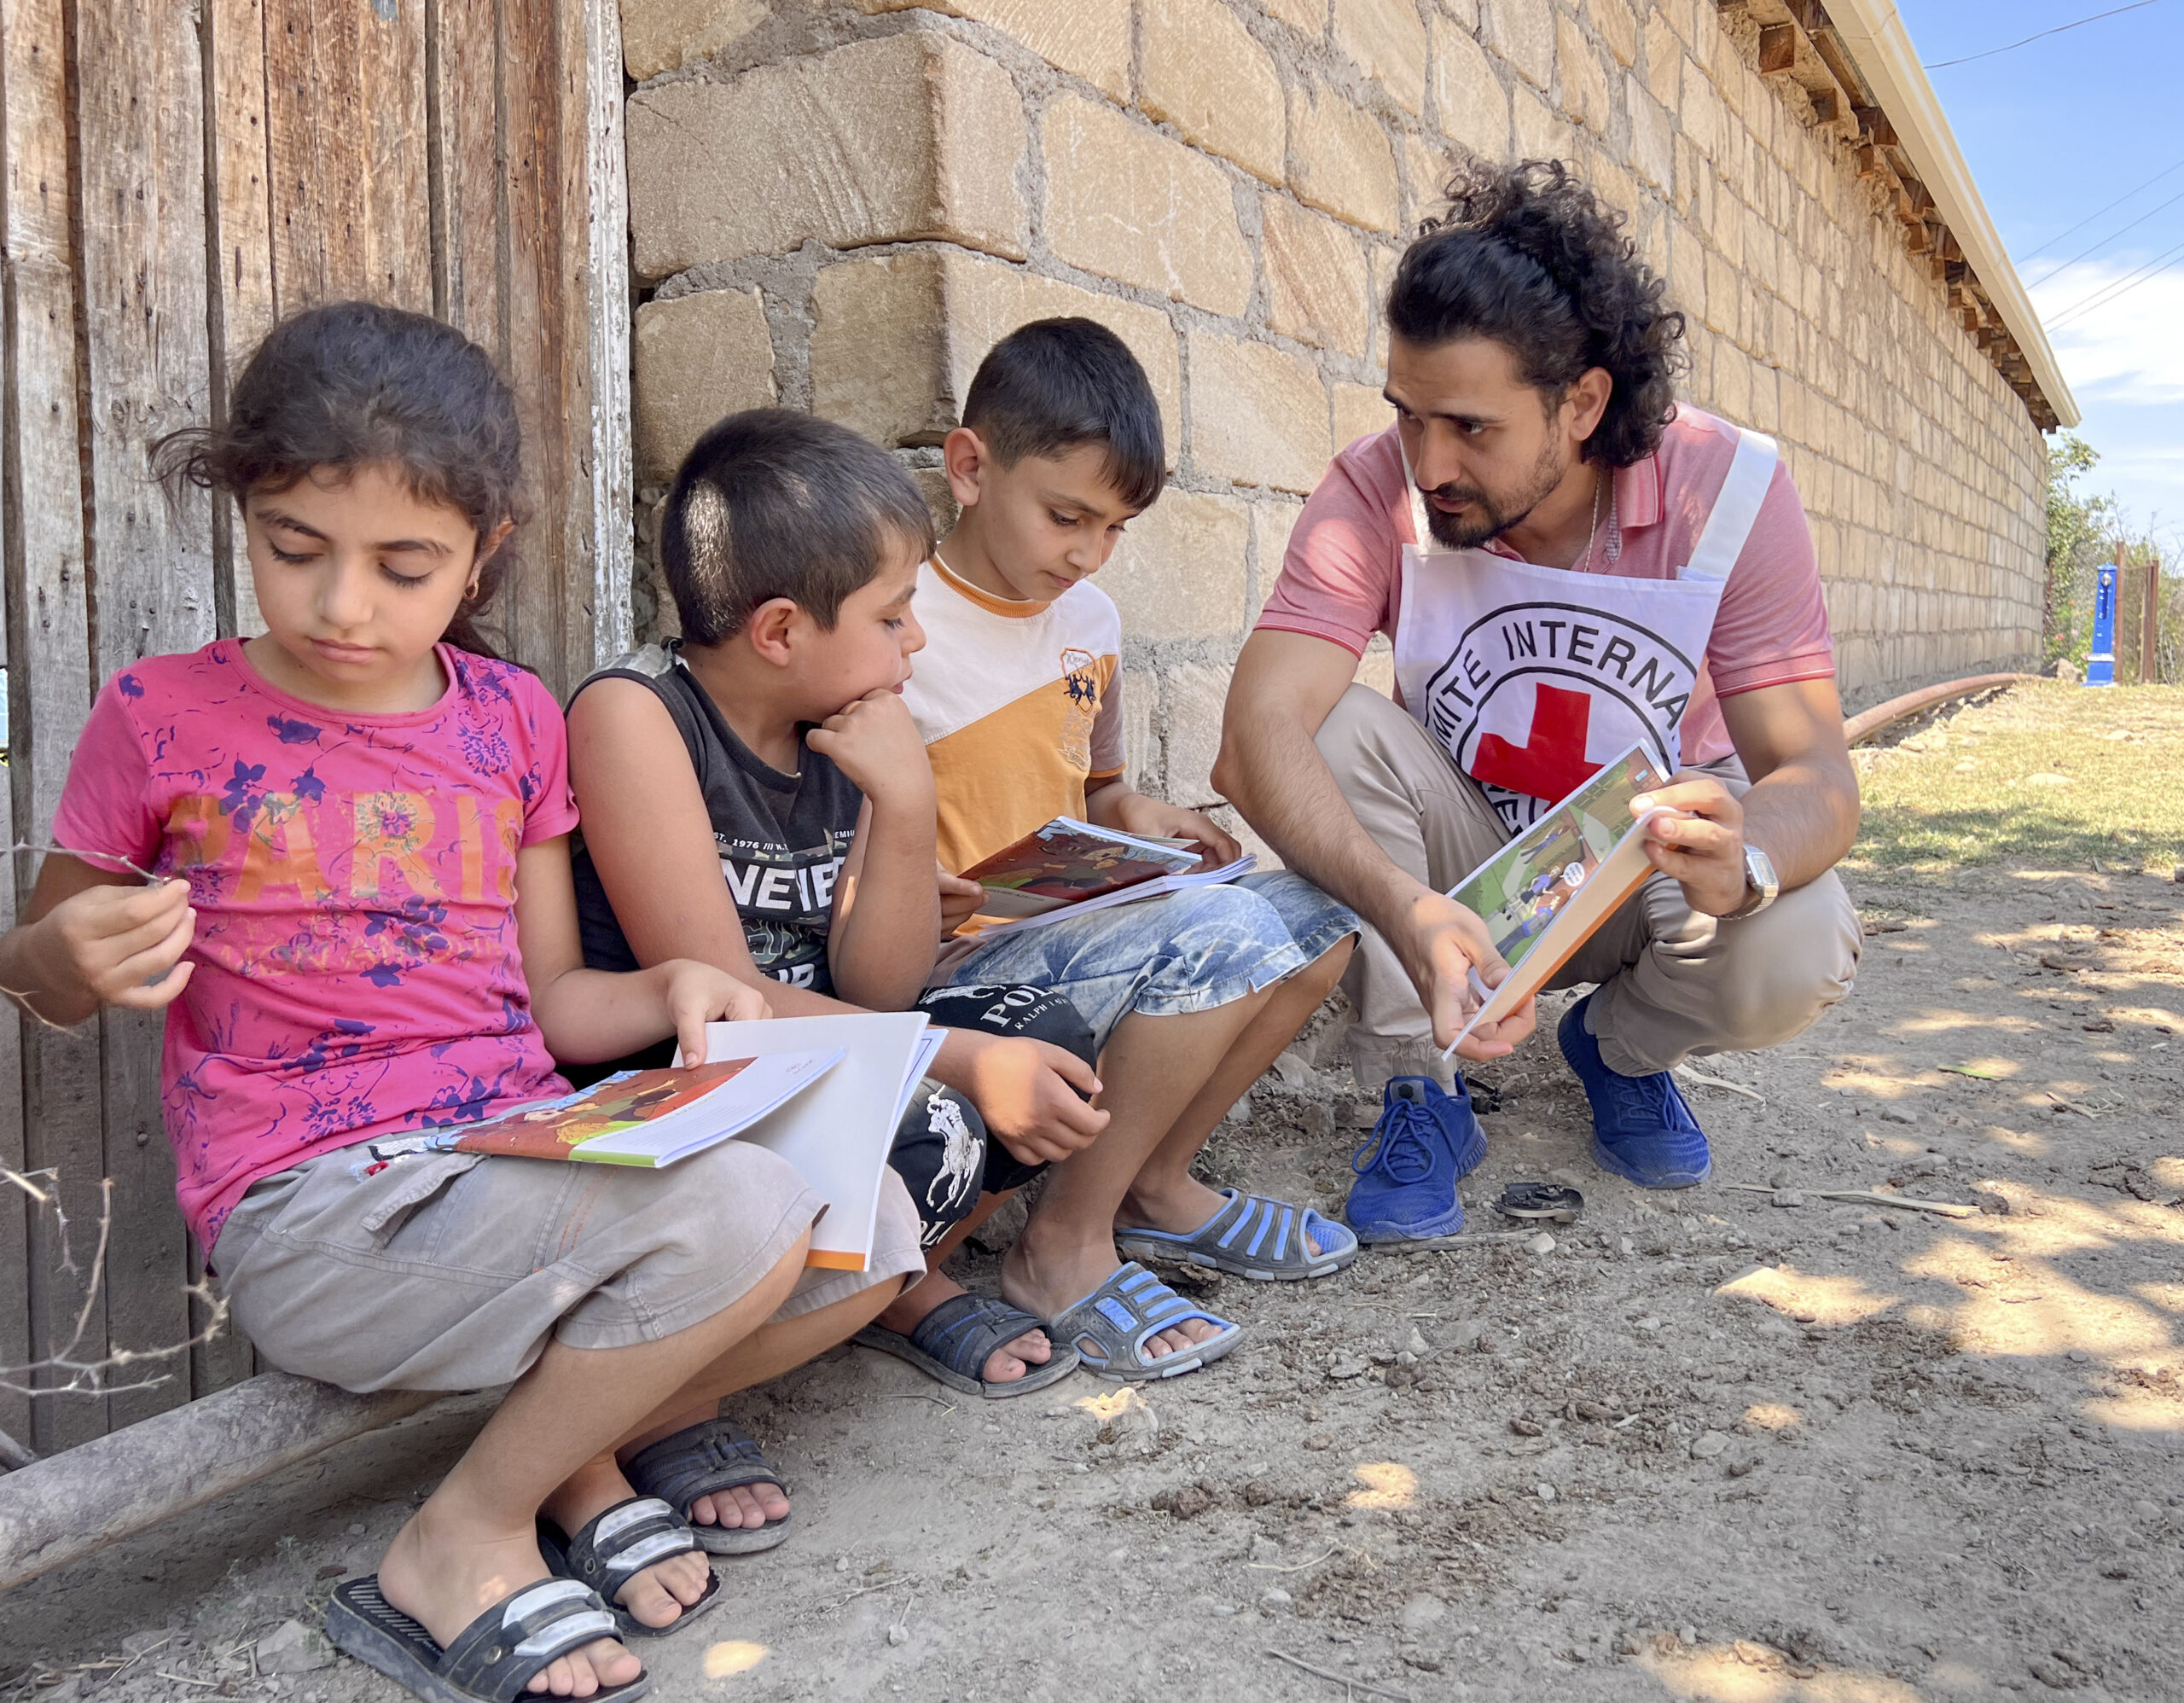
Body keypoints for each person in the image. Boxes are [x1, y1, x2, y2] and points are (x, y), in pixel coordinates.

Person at [0, 303, 928, 1703]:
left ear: (483, 551)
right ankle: (465, 1535)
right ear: (246, 513)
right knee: (740, 1213)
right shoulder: (161, 716)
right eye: (294, 547)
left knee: (876, 1223)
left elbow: (554, 1005)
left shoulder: (509, 719)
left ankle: (568, 1454)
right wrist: (65, 960)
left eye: (404, 565)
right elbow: (35, 971)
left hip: (519, 1154)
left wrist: (674, 986)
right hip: (315, 1205)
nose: (342, 604)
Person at [1217, 160, 1862, 1235]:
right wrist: (1402, 908)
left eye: (1471, 426)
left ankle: (1618, 1048)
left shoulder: (1728, 492)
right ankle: (1422, 1081)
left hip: (1641, 867)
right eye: (1407, 415)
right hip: (1462, 867)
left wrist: (1743, 856)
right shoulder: (1375, 485)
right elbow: (1253, 736)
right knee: (1325, 725)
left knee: (1796, 931)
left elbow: (1819, 775)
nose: (1428, 462)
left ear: (1583, 403)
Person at [568, 410, 1104, 1406]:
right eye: (893, 616)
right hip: (680, 1081)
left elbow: (878, 986)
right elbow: (726, 1009)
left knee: (1047, 1034)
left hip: (822, 1046)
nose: (916, 638)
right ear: (779, 631)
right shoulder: (637, 716)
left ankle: (887, 1282)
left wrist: (904, 804)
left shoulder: (839, 723)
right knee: (942, 1114)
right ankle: (671, 1392)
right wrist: (957, 1059)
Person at [905, 318, 1362, 1381]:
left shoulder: (1090, 622)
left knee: (1318, 922)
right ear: (969, 468)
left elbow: (1094, 786)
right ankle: (1059, 1245)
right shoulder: (898, 623)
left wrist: (1140, 815)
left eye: (1114, 529)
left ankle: (1152, 1183)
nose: (1087, 553)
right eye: (1067, 516)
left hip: (1061, 918)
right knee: (1224, 936)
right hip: (952, 958)